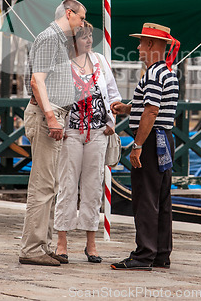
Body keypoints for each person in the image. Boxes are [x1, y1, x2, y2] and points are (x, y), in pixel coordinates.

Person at [19, 0, 86, 267]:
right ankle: (32, 247)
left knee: (50, 185)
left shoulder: (57, 40)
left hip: (55, 115)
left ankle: (41, 245)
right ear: (69, 14)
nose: (83, 23)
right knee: (43, 185)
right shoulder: (49, 38)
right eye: (81, 17)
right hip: (48, 116)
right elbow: (37, 81)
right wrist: (50, 117)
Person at [110, 22, 179, 271]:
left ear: (151, 44)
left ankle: (143, 254)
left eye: (141, 42)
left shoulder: (152, 74)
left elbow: (151, 111)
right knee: (161, 197)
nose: (138, 47)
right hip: (165, 139)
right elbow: (150, 105)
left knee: (145, 197)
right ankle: (160, 253)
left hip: (151, 141)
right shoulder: (168, 73)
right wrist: (129, 108)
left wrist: (137, 145)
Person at [54, 21, 121, 263]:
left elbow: (113, 93)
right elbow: (52, 95)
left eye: (90, 36)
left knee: (93, 187)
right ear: (72, 41)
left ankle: (91, 242)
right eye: (83, 37)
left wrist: (111, 122)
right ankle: (62, 240)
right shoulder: (61, 64)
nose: (89, 41)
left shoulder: (100, 61)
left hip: (98, 132)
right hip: (70, 131)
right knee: (68, 184)